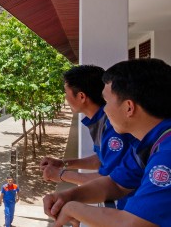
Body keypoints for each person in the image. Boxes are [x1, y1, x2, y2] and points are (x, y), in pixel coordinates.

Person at [43, 58, 171, 227]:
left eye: (107, 102)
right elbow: (116, 183)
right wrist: (68, 196)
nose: (104, 109)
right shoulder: (150, 143)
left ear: (129, 107)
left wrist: (72, 208)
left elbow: (133, 223)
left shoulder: (166, 153)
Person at [40, 65, 135, 209]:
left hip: (132, 208)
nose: (64, 98)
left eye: (66, 93)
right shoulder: (99, 122)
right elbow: (102, 159)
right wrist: (64, 163)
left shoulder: (111, 126)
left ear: (82, 96)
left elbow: (109, 180)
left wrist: (61, 174)